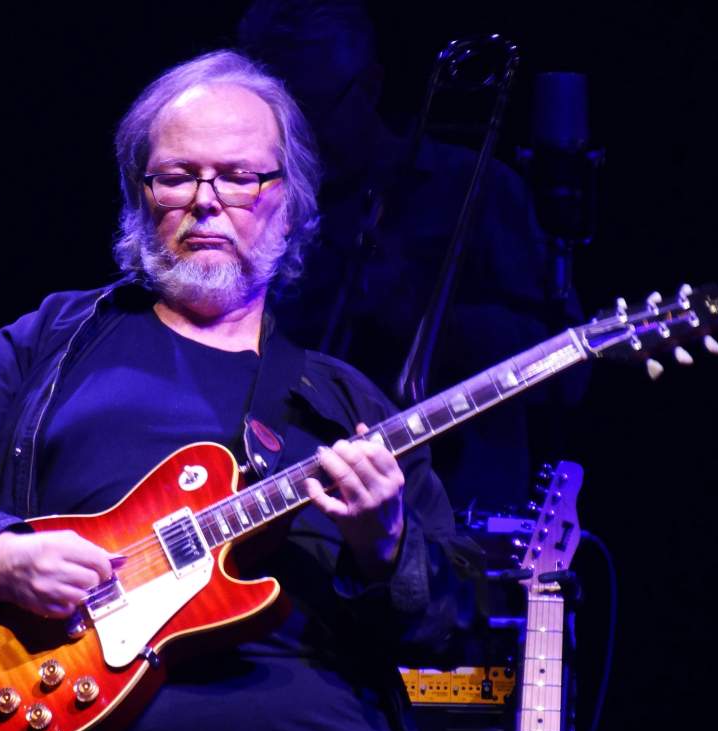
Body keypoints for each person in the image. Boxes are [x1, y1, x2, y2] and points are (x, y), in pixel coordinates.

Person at [0, 50, 478, 731]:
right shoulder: (55, 340)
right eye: (176, 177)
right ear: (138, 195)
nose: (206, 203)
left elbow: (448, 622)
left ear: (292, 202)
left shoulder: (343, 403)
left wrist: (385, 541)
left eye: (240, 178)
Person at [237, 0, 588, 511]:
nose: (292, 141)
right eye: (272, 120)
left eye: (309, 115)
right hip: (287, 504)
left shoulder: (474, 187)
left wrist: (418, 314)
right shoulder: (257, 196)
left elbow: (568, 374)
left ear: (371, 88)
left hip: (449, 509)